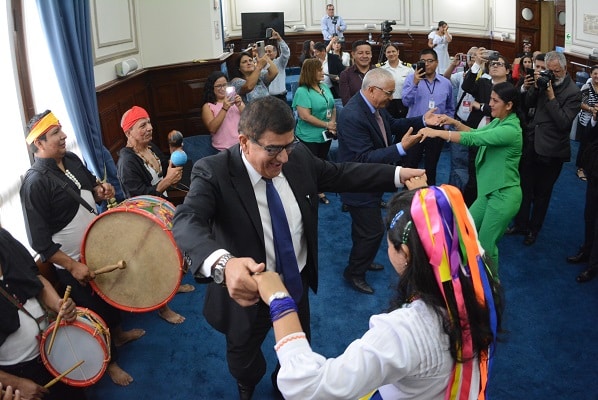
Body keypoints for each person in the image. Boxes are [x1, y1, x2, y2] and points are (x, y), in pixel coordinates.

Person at [171, 96, 426, 400]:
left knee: (298, 350)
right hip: (246, 293)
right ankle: (247, 383)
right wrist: (225, 265)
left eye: (288, 145)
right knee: (244, 358)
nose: (283, 158)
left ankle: (284, 385)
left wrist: (396, 175)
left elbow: (340, 173)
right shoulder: (213, 171)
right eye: (273, 149)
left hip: (294, 282)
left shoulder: (298, 156)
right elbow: (186, 220)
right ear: (244, 142)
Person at [251, 185, 503, 400]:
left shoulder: (404, 332)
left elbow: (307, 387)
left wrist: (280, 300)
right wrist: (425, 200)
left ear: (405, 253)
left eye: (389, 245)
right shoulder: (483, 283)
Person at [19, 110, 144, 386]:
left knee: (110, 297)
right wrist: (72, 265)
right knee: (92, 311)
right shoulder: (34, 183)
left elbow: (91, 189)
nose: (64, 136)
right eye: (56, 134)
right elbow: (39, 242)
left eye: (61, 129)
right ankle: (110, 363)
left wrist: (102, 191)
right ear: (38, 143)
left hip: (98, 250)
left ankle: (119, 334)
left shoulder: (72, 159)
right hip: (73, 263)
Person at [337, 68, 443, 294]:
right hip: (358, 185)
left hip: (371, 183)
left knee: (364, 229)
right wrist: (400, 148)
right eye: (389, 93)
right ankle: (354, 272)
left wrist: (422, 120)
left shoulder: (374, 106)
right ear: (372, 90)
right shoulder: (352, 115)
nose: (392, 97)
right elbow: (363, 159)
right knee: (373, 231)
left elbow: (393, 124)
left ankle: (362, 260)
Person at [420, 82, 523, 276]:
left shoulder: (511, 130)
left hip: (503, 196)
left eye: (495, 101)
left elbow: (474, 140)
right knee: (463, 230)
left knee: (486, 246)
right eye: (490, 99)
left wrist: (437, 133)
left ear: (509, 105)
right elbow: (476, 133)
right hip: (489, 192)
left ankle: (490, 286)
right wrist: (453, 122)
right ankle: (466, 274)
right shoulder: (500, 122)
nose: (489, 104)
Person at [117, 106, 195, 324]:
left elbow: (165, 167)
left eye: (149, 123)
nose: (150, 128)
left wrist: (174, 156)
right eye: (142, 125)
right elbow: (139, 200)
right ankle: (163, 308)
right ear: (129, 132)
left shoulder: (149, 148)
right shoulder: (127, 162)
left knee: (171, 251)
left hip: (161, 209)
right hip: (143, 220)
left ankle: (174, 283)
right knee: (155, 261)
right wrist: (166, 182)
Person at [0, 227, 85, 400]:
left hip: (52, 345)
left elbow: (35, 278)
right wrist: (16, 383)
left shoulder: (4, 238)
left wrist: (58, 304)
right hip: (20, 373)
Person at [507, 51, 581, 245]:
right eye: (550, 71)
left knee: (542, 194)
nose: (553, 75)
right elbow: (528, 104)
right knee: (524, 188)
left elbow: (563, 122)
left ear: (565, 68)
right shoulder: (543, 81)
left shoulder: (574, 92)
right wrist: (531, 87)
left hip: (553, 150)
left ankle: (534, 229)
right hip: (532, 143)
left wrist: (551, 96)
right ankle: (520, 224)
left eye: (557, 71)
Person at [442, 47, 490, 204]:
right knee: (457, 161)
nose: (473, 59)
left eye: (476, 57)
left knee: (473, 164)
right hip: (459, 122)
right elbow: (446, 78)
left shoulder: (487, 79)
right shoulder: (462, 75)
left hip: (478, 127)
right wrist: (453, 64)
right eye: (471, 57)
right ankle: (453, 195)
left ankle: (468, 196)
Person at [401, 48, 455, 185]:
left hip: (437, 129)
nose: (426, 64)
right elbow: (405, 102)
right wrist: (415, 83)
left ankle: (430, 193)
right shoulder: (411, 79)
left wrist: (445, 126)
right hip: (415, 127)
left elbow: (450, 107)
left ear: (437, 62)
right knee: (411, 163)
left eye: (430, 61)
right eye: (423, 61)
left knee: (431, 165)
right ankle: (408, 194)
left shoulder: (446, 83)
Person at [292, 58, 337, 204]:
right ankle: (312, 191)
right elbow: (305, 116)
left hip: (325, 135)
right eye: (319, 70)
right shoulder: (302, 91)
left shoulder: (324, 86)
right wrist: (327, 125)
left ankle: (319, 186)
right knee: (310, 165)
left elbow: (332, 106)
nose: (323, 72)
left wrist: (332, 124)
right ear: (311, 72)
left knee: (322, 161)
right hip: (309, 136)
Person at [568, 104, 598, 282]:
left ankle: (593, 265)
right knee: (590, 215)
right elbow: (589, 137)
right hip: (594, 172)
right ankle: (586, 251)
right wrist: (594, 119)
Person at [201, 71, 245, 151]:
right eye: (218, 86)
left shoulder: (234, 100)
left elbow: (249, 119)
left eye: (225, 85)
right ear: (212, 88)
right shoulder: (208, 106)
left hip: (242, 145)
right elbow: (212, 128)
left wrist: (240, 105)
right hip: (223, 149)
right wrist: (224, 108)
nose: (223, 88)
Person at [574, 65, 598, 181]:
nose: (597, 76)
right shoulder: (587, 87)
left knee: (594, 146)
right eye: (595, 73)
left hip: (596, 122)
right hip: (585, 121)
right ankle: (580, 168)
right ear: (591, 74)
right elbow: (580, 103)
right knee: (584, 145)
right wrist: (591, 109)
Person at [379, 42, 412, 119]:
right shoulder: (381, 68)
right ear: (385, 54)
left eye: (393, 51)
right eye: (388, 52)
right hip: (387, 102)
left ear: (398, 52)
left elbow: (413, 84)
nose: (391, 54)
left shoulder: (408, 68)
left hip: (403, 102)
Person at [339, 40, 374, 105]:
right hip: (355, 110)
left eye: (367, 53)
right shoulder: (345, 75)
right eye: (360, 53)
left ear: (371, 54)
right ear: (353, 54)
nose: (364, 56)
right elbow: (346, 102)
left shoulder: (378, 72)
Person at [265, 30, 290, 102]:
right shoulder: (262, 65)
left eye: (269, 51)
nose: (267, 53)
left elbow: (286, 53)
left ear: (275, 53)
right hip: (267, 98)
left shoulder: (280, 62)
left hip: (281, 97)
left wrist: (279, 39)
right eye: (265, 52)